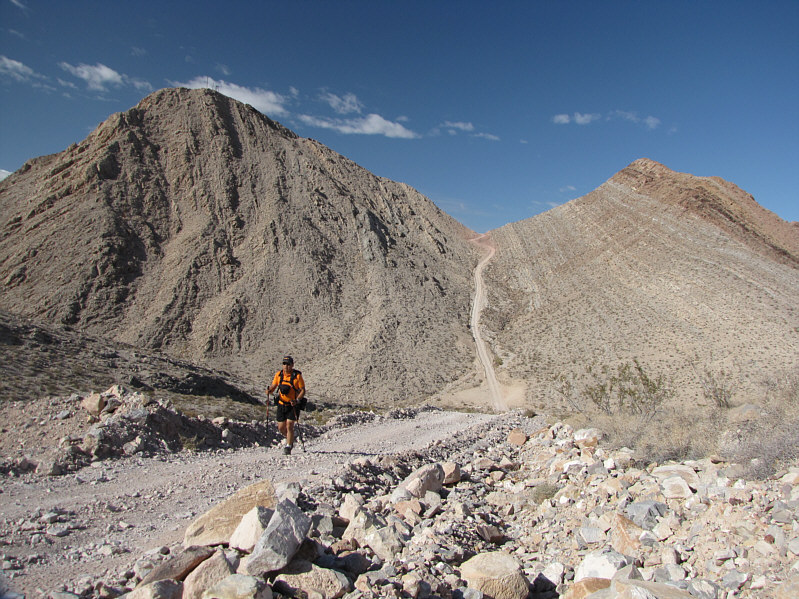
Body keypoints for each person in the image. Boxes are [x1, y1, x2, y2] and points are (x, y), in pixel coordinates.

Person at [266, 355, 305, 454]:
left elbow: (303, 390)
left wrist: (297, 400)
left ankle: (288, 446)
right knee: (281, 427)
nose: (286, 366)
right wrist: (269, 391)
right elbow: (273, 386)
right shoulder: (279, 375)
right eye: (284, 364)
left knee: (289, 425)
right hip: (281, 404)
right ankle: (290, 439)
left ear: (292, 365)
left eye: (288, 364)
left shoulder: (297, 376)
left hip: (293, 405)